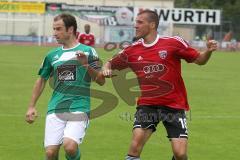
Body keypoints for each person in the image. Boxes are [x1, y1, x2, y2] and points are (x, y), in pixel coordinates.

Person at [103, 10, 217, 160]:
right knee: (135, 146)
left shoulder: (173, 43)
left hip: (174, 104)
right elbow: (111, 62)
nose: (135, 25)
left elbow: (199, 60)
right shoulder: (132, 50)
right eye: (135, 22)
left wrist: (208, 51)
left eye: (139, 22)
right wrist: (106, 68)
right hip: (147, 105)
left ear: (152, 25)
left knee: (180, 154)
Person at [25, 13, 105, 160]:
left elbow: (100, 80)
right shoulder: (52, 55)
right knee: (50, 153)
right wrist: (31, 106)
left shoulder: (88, 51)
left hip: (79, 106)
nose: (55, 33)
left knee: (70, 146)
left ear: (70, 29)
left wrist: (86, 64)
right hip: (56, 107)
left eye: (58, 29)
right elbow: (41, 80)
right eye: (54, 29)